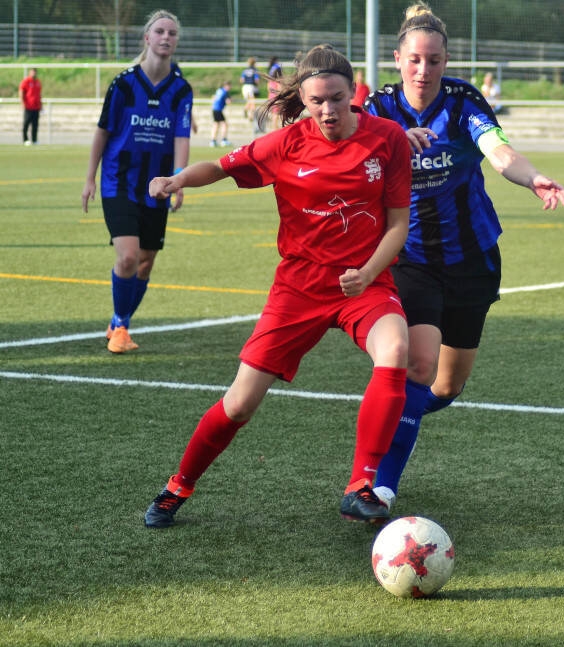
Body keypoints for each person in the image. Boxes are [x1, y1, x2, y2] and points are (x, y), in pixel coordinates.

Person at [143, 44, 413, 529]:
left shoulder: (387, 138)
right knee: (240, 402)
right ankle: (177, 486)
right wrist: (177, 179)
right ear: (303, 101)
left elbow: (398, 224)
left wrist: (369, 273)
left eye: (337, 98)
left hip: (364, 282)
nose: (327, 110)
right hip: (299, 286)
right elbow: (220, 168)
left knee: (395, 348)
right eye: (316, 101)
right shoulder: (285, 143)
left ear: (354, 92)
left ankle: (360, 486)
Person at [364, 2, 564, 511]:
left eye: (434, 60)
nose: (423, 70)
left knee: (447, 385)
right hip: (411, 255)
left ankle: (397, 417)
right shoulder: (378, 107)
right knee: (418, 364)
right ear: (397, 59)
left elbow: (498, 150)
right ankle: (380, 486)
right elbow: (352, 149)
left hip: (473, 255)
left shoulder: (464, 102)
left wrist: (532, 177)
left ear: (446, 61)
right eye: (414, 60)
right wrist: (390, 139)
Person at [81, 9, 193, 354]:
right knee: (128, 257)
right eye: (159, 31)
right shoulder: (123, 83)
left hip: (156, 186)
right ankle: (121, 326)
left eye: (172, 33)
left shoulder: (181, 90)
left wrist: (179, 180)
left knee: (146, 261)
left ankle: (119, 323)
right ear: (147, 38)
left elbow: (181, 136)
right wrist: (90, 178)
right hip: (118, 181)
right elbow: (103, 131)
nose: (166, 37)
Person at [19, 67, 42, 146]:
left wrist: (41, 104)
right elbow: (21, 92)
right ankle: (25, 139)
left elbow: (39, 94)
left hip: (36, 107)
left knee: (35, 125)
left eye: (35, 72)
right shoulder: (26, 81)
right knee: (26, 123)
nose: (33, 73)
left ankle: (34, 140)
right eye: (32, 72)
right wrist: (22, 103)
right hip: (28, 106)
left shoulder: (38, 82)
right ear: (29, 72)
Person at [210, 81, 232, 147]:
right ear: (226, 86)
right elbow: (228, 101)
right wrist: (231, 99)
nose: (230, 88)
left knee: (216, 125)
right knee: (224, 124)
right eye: (229, 86)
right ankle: (224, 140)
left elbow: (213, 97)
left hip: (214, 109)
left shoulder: (219, 90)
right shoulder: (225, 92)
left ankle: (213, 141)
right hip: (218, 110)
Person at [265, 56, 283, 130]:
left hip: (271, 96)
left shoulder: (270, 81)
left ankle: (274, 128)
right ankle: (275, 129)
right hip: (276, 97)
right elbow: (279, 89)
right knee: (276, 114)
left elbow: (268, 88)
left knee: (274, 114)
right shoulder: (278, 81)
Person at [240, 57, 260, 121]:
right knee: (253, 102)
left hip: (245, 87)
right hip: (251, 87)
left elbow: (241, 80)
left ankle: (245, 109)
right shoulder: (255, 70)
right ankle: (251, 116)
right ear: (254, 63)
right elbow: (257, 80)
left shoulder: (245, 70)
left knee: (249, 101)